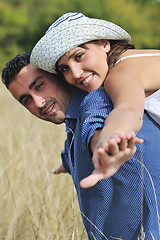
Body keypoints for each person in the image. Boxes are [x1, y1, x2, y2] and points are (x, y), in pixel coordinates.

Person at [2, 52, 160, 239]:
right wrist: (67, 163)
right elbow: (75, 144)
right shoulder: (73, 123)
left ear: (60, 75)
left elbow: (95, 130)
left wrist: (104, 147)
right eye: (26, 99)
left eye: (39, 86)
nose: (38, 102)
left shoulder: (97, 100)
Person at [30, 12, 160, 179]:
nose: (75, 74)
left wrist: (110, 137)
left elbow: (127, 108)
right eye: (64, 69)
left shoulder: (120, 74)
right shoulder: (132, 59)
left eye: (79, 56)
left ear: (104, 43)